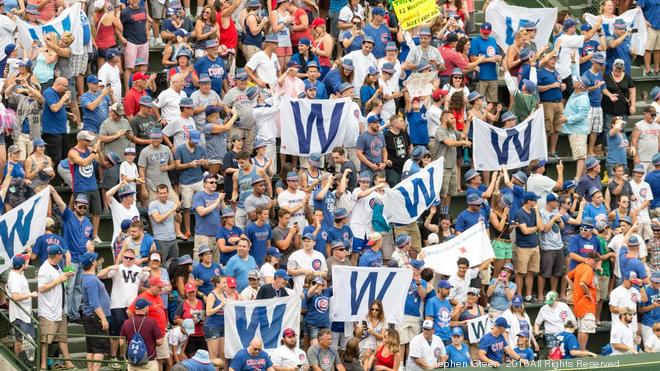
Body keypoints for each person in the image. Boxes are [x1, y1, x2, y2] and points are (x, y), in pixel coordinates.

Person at [37, 245, 76, 370]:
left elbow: (59, 279)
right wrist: (59, 280)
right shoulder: (44, 269)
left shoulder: (57, 266)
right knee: (45, 340)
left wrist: (66, 275)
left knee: (62, 337)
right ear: (58, 255)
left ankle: (68, 361)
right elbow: (41, 288)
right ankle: (43, 365)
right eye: (61, 254)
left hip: (60, 309)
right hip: (48, 310)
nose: (63, 256)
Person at [80, 252, 111, 371]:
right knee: (99, 348)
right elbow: (95, 303)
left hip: (90, 317)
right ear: (93, 262)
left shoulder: (85, 277)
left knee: (91, 348)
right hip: (96, 317)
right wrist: (103, 319)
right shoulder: (92, 280)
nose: (97, 261)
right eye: (96, 260)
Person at [566, 251, 600, 350]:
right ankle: (582, 350)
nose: (596, 264)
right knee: (585, 330)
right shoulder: (588, 269)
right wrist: (589, 294)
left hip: (579, 303)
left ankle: (580, 350)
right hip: (586, 305)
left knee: (581, 329)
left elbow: (567, 277)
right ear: (589, 259)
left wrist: (574, 288)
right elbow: (582, 283)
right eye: (595, 261)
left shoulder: (580, 266)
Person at [119, 298, 164, 371]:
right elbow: (160, 341)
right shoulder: (152, 322)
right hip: (148, 361)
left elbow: (121, 343)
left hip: (132, 361)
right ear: (146, 308)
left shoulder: (126, 323)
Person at [7, 253, 38, 358]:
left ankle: (23, 360)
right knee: (20, 340)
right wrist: (30, 294)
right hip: (19, 315)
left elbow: (25, 261)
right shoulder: (15, 279)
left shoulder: (19, 273)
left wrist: (28, 253)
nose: (27, 264)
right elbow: (15, 297)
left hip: (25, 314)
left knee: (25, 340)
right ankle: (19, 361)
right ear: (22, 266)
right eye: (25, 263)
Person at [533, 291, 576, 357]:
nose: (549, 304)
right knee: (553, 354)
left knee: (565, 353)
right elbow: (537, 323)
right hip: (551, 334)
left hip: (564, 333)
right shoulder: (543, 309)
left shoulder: (563, 306)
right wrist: (536, 331)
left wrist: (570, 331)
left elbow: (572, 319)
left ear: (556, 299)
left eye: (551, 301)